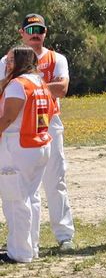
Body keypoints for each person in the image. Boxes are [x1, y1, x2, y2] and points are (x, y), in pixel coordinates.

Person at [0, 15, 76, 250]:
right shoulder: (7, 59)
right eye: (30, 29)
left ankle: (64, 236)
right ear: (21, 32)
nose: (36, 34)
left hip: (48, 121)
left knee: (55, 180)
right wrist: (39, 85)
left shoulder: (56, 58)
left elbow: (62, 89)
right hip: (19, 124)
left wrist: (27, 85)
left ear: (46, 32)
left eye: (40, 30)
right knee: (21, 186)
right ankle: (26, 240)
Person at [0, 48, 55, 263]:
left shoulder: (18, 85)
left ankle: (19, 252)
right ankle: (31, 247)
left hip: (18, 145)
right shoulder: (39, 82)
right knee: (30, 198)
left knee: (15, 200)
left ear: (21, 61)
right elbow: (51, 111)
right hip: (38, 143)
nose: (7, 63)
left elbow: (7, 118)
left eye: (11, 60)